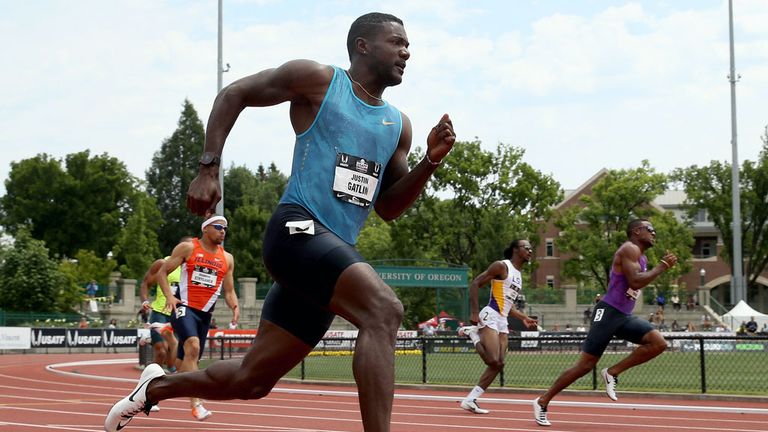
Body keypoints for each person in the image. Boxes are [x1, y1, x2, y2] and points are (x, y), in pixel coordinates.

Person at [105, 12, 455, 432]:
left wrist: (430, 161)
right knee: (384, 311)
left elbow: (389, 207)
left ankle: (153, 390)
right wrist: (208, 167)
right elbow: (234, 93)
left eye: (407, 44)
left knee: (252, 380)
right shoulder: (319, 80)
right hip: (297, 229)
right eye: (397, 42)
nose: (407, 51)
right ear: (363, 45)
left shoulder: (398, 126)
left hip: (329, 255)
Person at [532, 219, 678, 427]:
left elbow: (621, 281)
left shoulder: (641, 257)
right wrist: (662, 266)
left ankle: (612, 372)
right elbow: (635, 281)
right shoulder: (629, 248)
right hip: (609, 313)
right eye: (650, 229)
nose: (654, 233)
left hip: (622, 315)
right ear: (637, 231)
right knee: (585, 365)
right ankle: (542, 401)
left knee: (658, 343)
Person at [457, 240, 538, 414]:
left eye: (531, 249)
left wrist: (524, 317)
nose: (530, 251)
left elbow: (508, 305)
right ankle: (473, 335)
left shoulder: (518, 274)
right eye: (527, 248)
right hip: (490, 315)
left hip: (502, 320)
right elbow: (475, 284)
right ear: (516, 250)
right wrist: (474, 313)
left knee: (499, 364)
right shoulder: (502, 266)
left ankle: (470, 400)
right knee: (492, 360)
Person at [139, 239, 193, 373]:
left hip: (179, 314)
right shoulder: (163, 264)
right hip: (160, 312)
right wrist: (145, 301)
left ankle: (170, 373)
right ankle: (149, 380)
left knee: (174, 355)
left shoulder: (193, 268)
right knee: (161, 352)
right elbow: (146, 283)